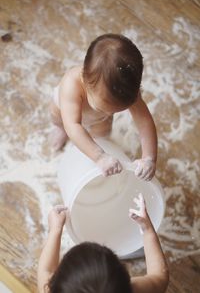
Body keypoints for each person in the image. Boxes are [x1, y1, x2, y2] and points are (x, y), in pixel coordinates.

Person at [50, 33, 157, 181]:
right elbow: (72, 125)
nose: (110, 113)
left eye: (115, 111)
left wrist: (149, 158)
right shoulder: (71, 84)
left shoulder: (127, 89)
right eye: (104, 108)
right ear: (85, 81)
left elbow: (144, 121)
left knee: (102, 136)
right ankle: (61, 131)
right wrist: (99, 156)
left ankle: (93, 146)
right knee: (59, 120)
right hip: (64, 110)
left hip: (98, 119)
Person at [37, 194, 169, 293]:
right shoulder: (132, 290)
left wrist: (55, 229)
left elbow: (45, 270)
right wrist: (147, 230)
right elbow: (159, 278)